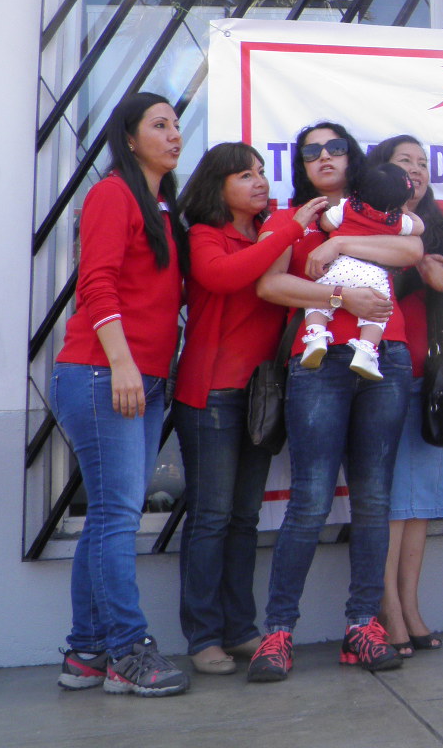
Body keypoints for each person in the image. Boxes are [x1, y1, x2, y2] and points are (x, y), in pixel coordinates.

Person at [246, 121, 423, 682]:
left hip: (385, 358)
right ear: (301, 165)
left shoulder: (377, 215)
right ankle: (277, 633)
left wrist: (341, 243)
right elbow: (270, 286)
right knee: (311, 499)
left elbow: (414, 249)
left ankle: (362, 626)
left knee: (373, 499)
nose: (323, 157)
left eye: (335, 148)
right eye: (311, 152)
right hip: (318, 362)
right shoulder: (290, 218)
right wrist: (340, 294)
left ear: (354, 160)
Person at [51, 92, 190, 696]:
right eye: (160, 125)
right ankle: (129, 650)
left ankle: (86, 651)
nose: (174, 134)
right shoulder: (113, 194)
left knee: (108, 517)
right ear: (129, 139)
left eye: (178, 125)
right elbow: (97, 284)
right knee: (115, 517)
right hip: (104, 372)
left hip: (143, 377)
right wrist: (124, 363)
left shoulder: (163, 209)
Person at [173, 142, 326, 675]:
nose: (259, 181)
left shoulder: (270, 234)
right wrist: (285, 231)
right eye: (245, 174)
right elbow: (227, 276)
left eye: (262, 172)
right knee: (211, 519)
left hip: (261, 394)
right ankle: (203, 635)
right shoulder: (206, 235)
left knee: (242, 519)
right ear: (219, 186)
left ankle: (240, 629)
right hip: (211, 394)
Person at [372, 134, 443, 658]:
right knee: (388, 501)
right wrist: (411, 274)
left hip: (434, 380)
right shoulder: (362, 227)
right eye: (403, 161)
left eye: (423, 163)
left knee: (420, 504)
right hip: (380, 375)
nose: (416, 170)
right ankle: (386, 606)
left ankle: (409, 603)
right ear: (381, 172)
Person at [297, 160, 423, 379]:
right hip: (372, 274)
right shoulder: (397, 220)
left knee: (316, 301)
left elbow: (326, 224)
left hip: (339, 267)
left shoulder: (347, 206)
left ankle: (316, 335)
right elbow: (419, 228)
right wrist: (404, 211)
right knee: (378, 311)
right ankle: (366, 350)